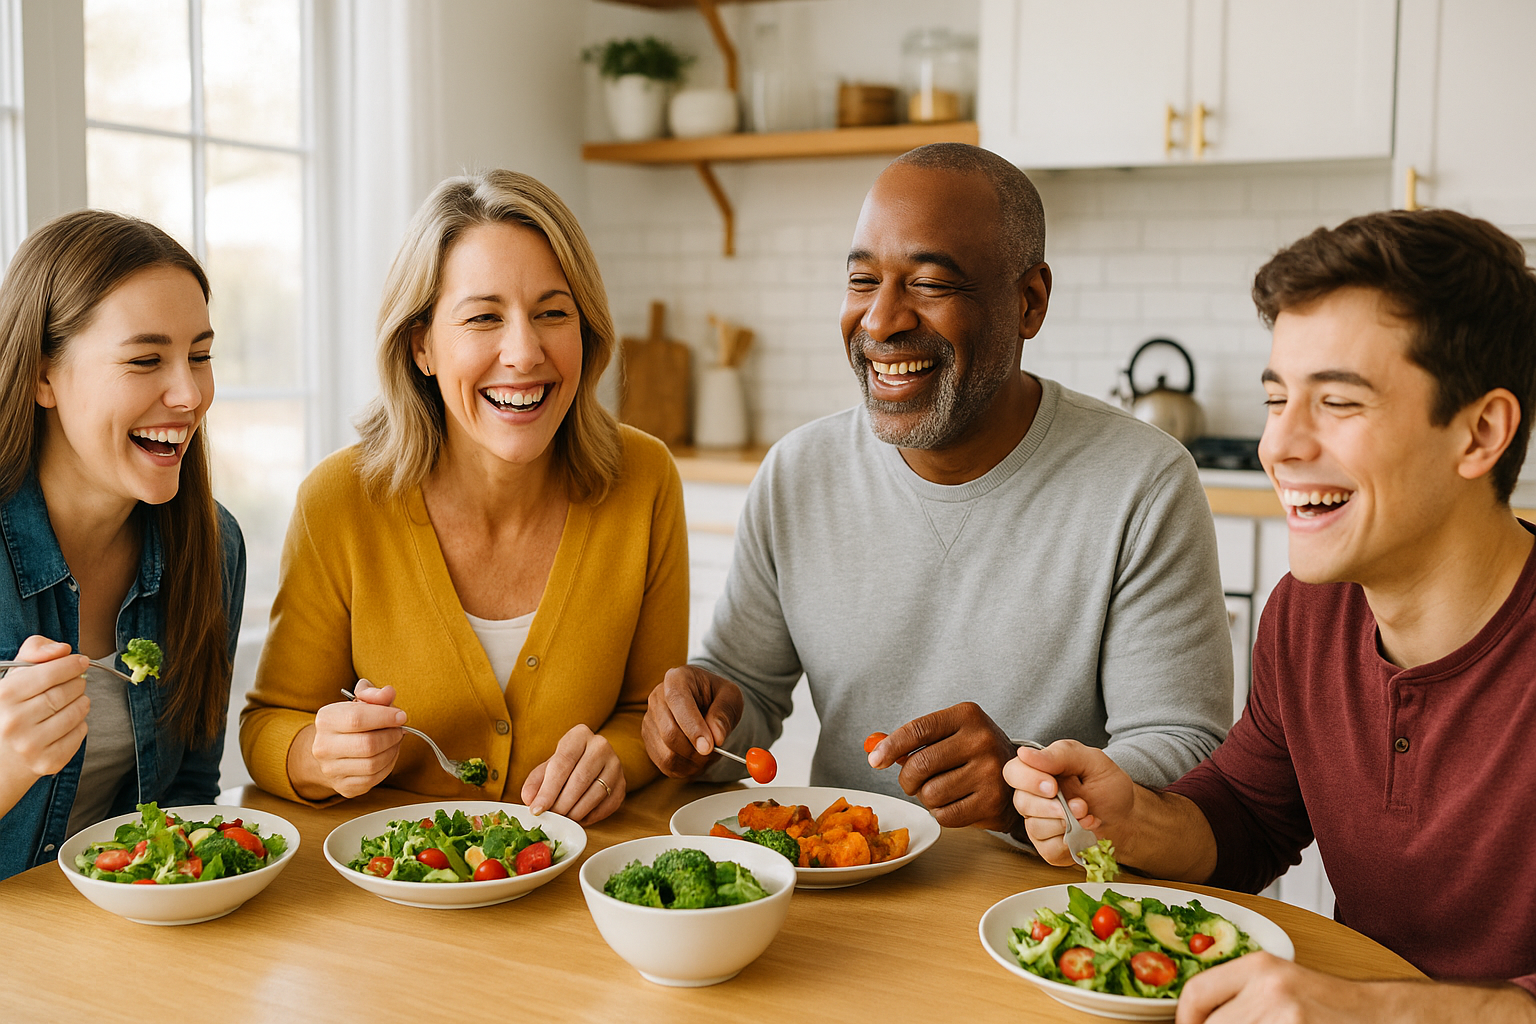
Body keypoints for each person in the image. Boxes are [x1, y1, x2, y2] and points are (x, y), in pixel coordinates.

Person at [1007, 209, 1536, 1020]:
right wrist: (1137, 819)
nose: (1279, 445)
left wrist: (1377, 1012)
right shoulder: (1309, 616)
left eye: (1338, 402)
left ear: (1480, 432)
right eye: (1277, 398)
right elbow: (1251, 816)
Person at [642, 142, 1233, 836]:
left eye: (930, 284)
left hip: (1046, 909)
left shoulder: (1143, 484)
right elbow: (743, 693)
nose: (881, 321)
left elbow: (1188, 754)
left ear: (1029, 302)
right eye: (863, 281)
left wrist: (1023, 782)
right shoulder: (798, 474)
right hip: (851, 887)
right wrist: (702, 723)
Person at [240, 170, 687, 825]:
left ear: (586, 330)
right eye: (484, 317)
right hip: (399, 894)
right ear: (421, 343)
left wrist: (614, 759)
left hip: (579, 887)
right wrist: (319, 753)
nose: (524, 351)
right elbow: (268, 726)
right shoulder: (338, 502)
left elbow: (651, 711)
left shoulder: (645, 479)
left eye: (552, 313)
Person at [0, 210, 246, 881]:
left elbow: (187, 798)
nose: (189, 394)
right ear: (42, 376)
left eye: (200, 356)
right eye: (145, 359)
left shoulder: (212, 545)